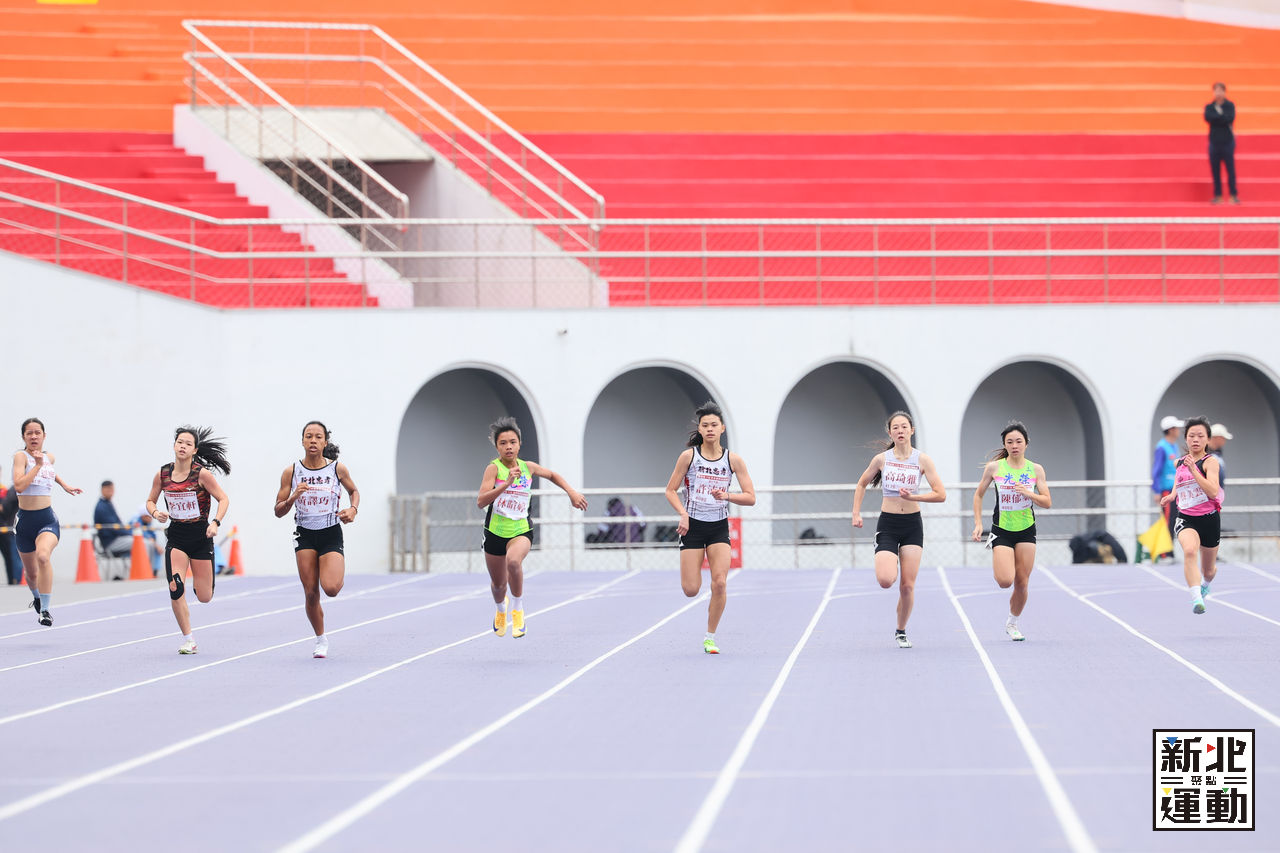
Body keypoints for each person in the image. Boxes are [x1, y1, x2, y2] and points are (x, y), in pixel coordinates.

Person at [476, 417, 587, 639]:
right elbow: (481, 501)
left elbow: (553, 475)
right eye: (503, 443)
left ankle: (517, 610)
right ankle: (501, 609)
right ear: (497, 447)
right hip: (495, 533)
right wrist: (506, 484)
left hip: (520, 530)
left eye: (512, 442)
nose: (508, 447)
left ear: (519, 444)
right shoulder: (493, 469)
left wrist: (571, 492)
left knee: (513, 562)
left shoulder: (528, 467)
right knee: (498, 586)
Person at [664, 400, 756, 655]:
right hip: (692, 527)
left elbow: (751, 497)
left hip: (718, 527)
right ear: (700, 429)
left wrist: (727, 496)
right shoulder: (689, 457)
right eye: (705, 425)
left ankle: (710, 637)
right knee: (691, 589)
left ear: (722, 428)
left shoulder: (733, 460)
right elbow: (670, 490)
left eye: (714, 425)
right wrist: (683, 514)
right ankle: (694, 580)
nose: (710, 429)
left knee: (720, 583)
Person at [851, 411, 947, 649]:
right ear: (890, 432)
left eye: (904, 427)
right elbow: (862, 483)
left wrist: (914, 497)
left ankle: (901, 630)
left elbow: (940, 494)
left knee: (907, 586)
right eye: (896, 427)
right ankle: (889, 559)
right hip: (888, 524)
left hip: (912, 525)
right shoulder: (881, 459)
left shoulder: (922, 460)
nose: (900, 431)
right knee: (886, 580)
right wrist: (856, 513)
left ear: (912, 430)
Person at [274, 421, 360, 659]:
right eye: (309, 436)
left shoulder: (337, 469)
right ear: (302, 441)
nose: (313, 440)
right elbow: (278, 511)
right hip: (305, 534)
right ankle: (321, 639)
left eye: (318, 437)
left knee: (331, 589)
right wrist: (293, 497)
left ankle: (332, 569)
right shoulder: (291, 472)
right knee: (311, 593)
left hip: (330, 532)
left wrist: (352, 509)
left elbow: (354, 491)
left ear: (325, 442)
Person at [145, 426, 230, 655]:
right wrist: (156, 513)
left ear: (194, 450)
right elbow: (150, 501)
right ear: (174, 446)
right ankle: (189, 639)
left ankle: (198, 584)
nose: (182, 446)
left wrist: (216, 523)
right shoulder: (163, 474)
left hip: (201, 536)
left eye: (188, 444)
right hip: (177, 537)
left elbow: (223, 499)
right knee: (175, 587)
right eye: (179, 442)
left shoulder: (201, 474)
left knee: (204, 596)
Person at [971, 422, 1052, 641]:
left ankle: (1012, 623)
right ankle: (1003, 563)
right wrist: (978, 523)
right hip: (1002, 530)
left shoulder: (1035, 469)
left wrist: (1029, 493)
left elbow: (1047, 502)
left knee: (1022, 582)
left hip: (1026, 530)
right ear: (1004, 445)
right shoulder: (995, 468)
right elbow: (978, 495)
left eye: (1018, 441)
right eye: (1010, 442)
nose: (1014, 445)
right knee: (1005, 580)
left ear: (1026, 444)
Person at [11, 418, 82, 625]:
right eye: (29, 433)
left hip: (46, 519)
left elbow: (50, 470)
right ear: (23, 436)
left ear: (44, 435)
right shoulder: (20, 457)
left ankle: (45, 611)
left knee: (43, 556)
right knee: (31, 574)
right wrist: (37, 465)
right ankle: (36, 597)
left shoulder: (49, 457)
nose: (34, 436)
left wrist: (64, 485)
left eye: (37, 432)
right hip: (24, 522)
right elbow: (19, 486)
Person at [1160, 417, 1222, 614]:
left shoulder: (1210, 462)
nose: (1195, 439)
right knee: (1189, 551)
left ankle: (1205, 584)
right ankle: (1196, 599)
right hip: (1187, 518)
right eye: (1191, 436)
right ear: (1186, 438)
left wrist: (1194, 470)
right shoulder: (1179, 462)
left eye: (1200, 436)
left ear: (1207, 439)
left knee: (1208, 570)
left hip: (1209, 519)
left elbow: (1213, 491)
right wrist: (1172, 495)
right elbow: (1180, 480)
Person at [1152, 415, 1183, 560]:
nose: (1179, 431)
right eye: (1176, 428)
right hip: (1166, 491)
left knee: (1174, 521)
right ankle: (1164, 552)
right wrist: (1157, 491)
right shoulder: (1162, 447)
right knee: (1167, 520)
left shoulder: (1174, 447)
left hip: (1175, 490)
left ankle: (1169, 550)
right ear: (1170, 430)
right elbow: (1156, 470)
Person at [1204, 82, 1239, 204]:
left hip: (1228, 142)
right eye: (1216, 91)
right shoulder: (1209, 107)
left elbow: (1230, 118)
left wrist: (1217, 118)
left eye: (1220, 91)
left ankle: (1233, 195)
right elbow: (1208, 118)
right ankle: (1218, 195)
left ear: (1224, 92)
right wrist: (1222, 118)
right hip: (1214, 143)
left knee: (1230, 170)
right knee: (1215, 170)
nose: (1218, 93)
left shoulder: (1230, 105)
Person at [93, 480, 133, 560]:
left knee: (142, 541)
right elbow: (114, 527)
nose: (111, 492)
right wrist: (130, 533)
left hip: (117, 539)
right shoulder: (102, 507)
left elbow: (118, 524)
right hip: (111, 542)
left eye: (112, 489)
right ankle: (146, 568)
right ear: (102, 490)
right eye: (108, 489)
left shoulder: (108, 504)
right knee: (141, 543)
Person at [127, 504, 165, 576]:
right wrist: (155, 544)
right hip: (135, 543)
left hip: (146, 541)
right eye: (150, 516)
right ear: (144, 516)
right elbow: (142, 534)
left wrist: (156, 544)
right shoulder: (135, 521)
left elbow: (152, 535)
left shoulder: (147, 522)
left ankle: (154, 570)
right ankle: (146, 568)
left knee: (157, 546)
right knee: (150, 544)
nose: (151, 519)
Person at [1, 480, 19, 585]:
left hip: (5, 530)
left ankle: (13, 581)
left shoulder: (5, 490)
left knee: (10, 558)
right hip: (7, 529)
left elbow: (5, 508)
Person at [1209, 422, 1232, 488]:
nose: (1224, 441)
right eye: (1223, 438)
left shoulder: (1217, 453)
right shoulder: (1204, 454)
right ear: (1217, 438)